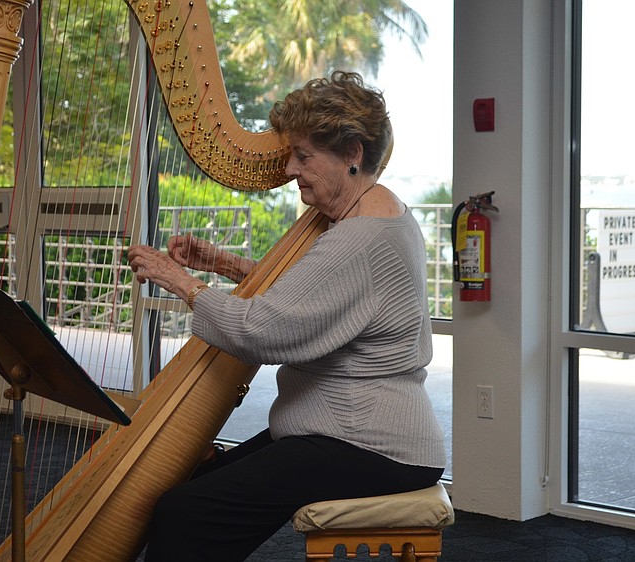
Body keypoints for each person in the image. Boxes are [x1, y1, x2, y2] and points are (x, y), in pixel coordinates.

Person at [127, 70, 446, 561]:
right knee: (198, 480)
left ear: (353, 153)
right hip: (345, 429)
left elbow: (262, 330)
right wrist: (221, 263)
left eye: (303, 156)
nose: (291, 170)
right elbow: (317, 293)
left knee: (184, 512)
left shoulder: (360, 237)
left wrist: (180, 282)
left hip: (370, 443)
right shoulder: (377, 212)